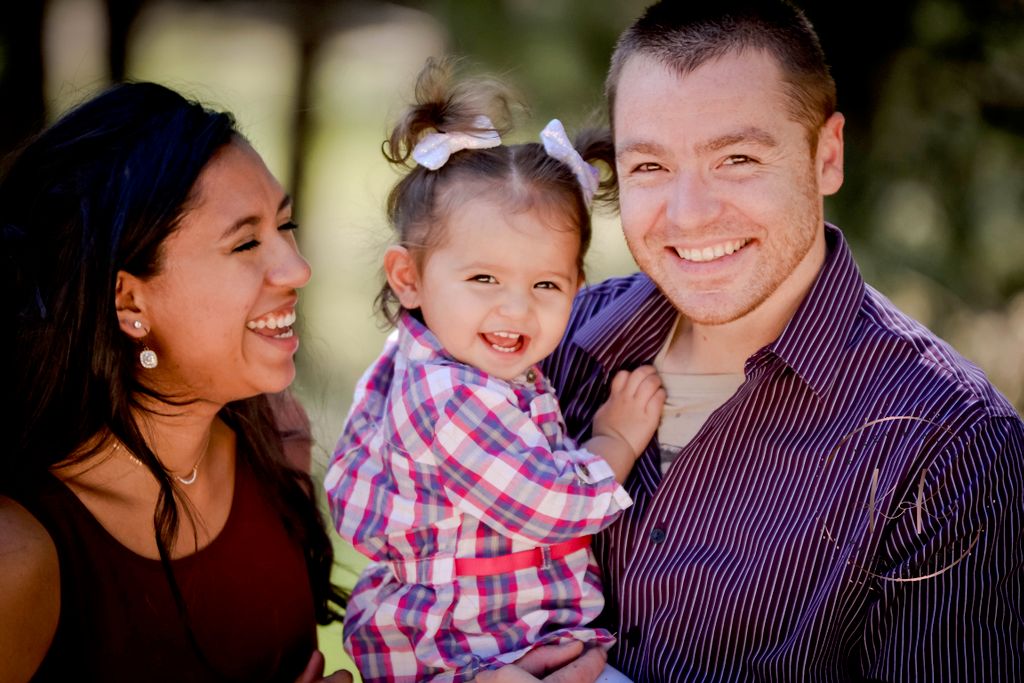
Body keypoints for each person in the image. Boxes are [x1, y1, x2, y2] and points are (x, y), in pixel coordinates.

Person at [480, 1, 1024, 681]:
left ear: (827, 156)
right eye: (650, 167)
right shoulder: (539, 352)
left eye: (736, 158)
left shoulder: (952, 446)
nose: (689, 214)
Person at [324, 59, 665, 683]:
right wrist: (614, 442)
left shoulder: (434, 354)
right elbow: (550, 506)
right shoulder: (449, 397)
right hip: (461, 651)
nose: (516, 308)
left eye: (545, 283)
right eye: (483, 278)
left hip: (495, 638)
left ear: (576, 287)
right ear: (410, 278)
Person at [0, 82, 351, 683]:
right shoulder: (21, 554)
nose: (298, 268)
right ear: (130, 300)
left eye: (284, 225)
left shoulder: (275, 437)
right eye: (245, 242)